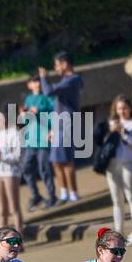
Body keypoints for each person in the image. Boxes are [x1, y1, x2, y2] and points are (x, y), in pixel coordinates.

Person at [39, 52, 82, 203]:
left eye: (57, 64)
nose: (55, 68)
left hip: (67, 125)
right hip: (59, 125)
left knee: (66, 160)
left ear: (65, 63)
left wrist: (43, 78)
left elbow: (48, 91)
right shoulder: (66, 80)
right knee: (56, 160)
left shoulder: (73, 79)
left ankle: (73, 193)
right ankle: (64, 191)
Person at [104, 96, 132, 241]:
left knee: (131, 196)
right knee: (117, 200)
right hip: (112, 165)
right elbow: (102, 144)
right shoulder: (110, 123)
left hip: (129, 163)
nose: (123, 111)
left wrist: (124, 133)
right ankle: (118, 231)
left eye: (125, 108)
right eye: (120, 108)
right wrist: (110, 132)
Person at [20, 74, 56, 210]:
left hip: (44, 138)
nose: (37, 84)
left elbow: (54, 113)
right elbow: (25, 121)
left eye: (38, 81)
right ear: (29, 85)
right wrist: (24, 114)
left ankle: (52, 196)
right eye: (34, 82)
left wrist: (52, 130)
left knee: (44, 168)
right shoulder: (28, 99)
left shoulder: (47, 97)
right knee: (26, 168)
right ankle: (36, 195)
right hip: (31, 140)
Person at [0, 106, 24, 236]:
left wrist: (0, 156)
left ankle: (19, 238)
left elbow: (17, 156)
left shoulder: (16, 133)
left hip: (11, 173)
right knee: (2, 210)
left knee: (14, 207)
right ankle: (1, 241)